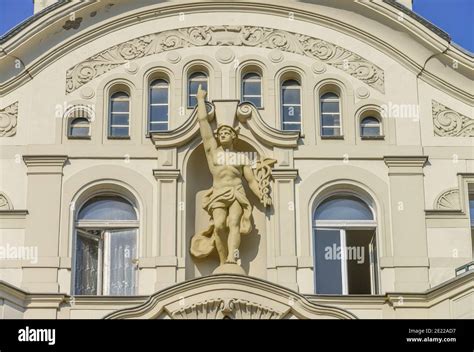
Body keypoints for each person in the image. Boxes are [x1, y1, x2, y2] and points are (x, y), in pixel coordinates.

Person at [190, 85, 271, 267]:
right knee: (219, 226)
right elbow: (204, 124)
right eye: (221, 133)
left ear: (233, 137)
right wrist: (201, 100)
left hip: (237, 192)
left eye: (227, 133)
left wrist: (261, 196)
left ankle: (232, 258)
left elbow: (251, 181)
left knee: (234, 223)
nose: (223, 135)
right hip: (219, 192)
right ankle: (222, 261)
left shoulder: (241, 158)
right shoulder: (213, 153)